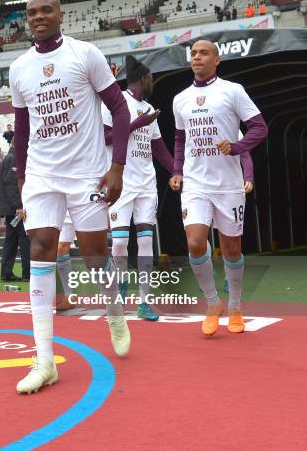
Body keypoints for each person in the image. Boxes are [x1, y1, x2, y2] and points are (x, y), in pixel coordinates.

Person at [10, 0, 131, 394]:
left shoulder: (85, 54)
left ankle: (113, 308)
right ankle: (44, 360)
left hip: (88, 174)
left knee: (95, 255)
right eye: (31, 13)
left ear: (61, 14)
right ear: (26, 20)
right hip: (42, 175)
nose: (38, 17)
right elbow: (22, 129)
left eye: (46, 10)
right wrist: (23, 176)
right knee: (42, 250)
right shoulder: (20, 67)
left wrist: (117, 166)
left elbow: (119, 109)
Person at [170, 39, 268, 336]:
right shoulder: (180, 99)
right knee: (196, 242)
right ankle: (213, 303)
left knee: (232, 248)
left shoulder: (232, 91)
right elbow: (179, 140)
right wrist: (177, 171)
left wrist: (236, 147)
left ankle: (236, 306)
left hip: (228, 184)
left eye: (204, 53)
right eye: (194, 54)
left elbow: (260, 127)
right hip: (195, 183)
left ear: (217, 60)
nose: (197, 58)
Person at [102, 55, 174, 321]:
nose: (153, 81)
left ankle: (144, 301)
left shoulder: (150, 107)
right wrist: (136, 124)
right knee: (120, 243)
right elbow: (105, 137)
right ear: (144, 79)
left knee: (145, 241)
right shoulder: (116, 102)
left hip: (146, 184)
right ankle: (119, 289)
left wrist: (177, 171)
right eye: (151, 78)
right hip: (120, 181)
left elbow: (158, 148)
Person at [0, 139, 30, 282]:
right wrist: (19, 206)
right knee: (23, 237)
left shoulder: (10, 158)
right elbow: (11, 185)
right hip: (14, 208)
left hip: (10, 208)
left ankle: (6, 272)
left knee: (11, 239)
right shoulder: (13, 159)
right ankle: (27, 273)